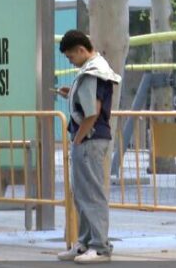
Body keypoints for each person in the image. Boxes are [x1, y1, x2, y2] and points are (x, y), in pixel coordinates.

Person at [56, 30, 121, 264]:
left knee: (91, 193)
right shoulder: (98, 68)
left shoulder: (91, 72)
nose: (70, 61)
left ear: (81, 50)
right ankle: (85, 243)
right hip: (93, 138)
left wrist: (77, 139)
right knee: (82, 194)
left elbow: (91, 112)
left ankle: (99, 247)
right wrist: (70, 95)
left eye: (71, 57)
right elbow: (91, 103)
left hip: (89, 139)